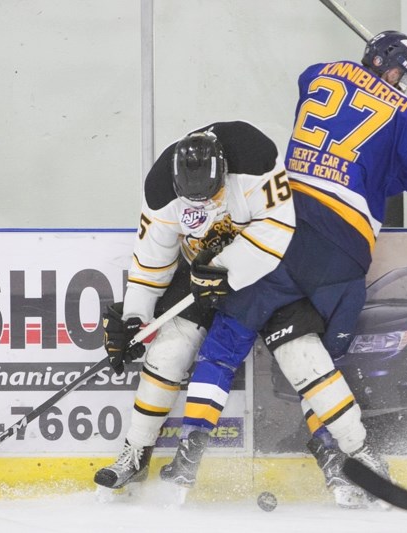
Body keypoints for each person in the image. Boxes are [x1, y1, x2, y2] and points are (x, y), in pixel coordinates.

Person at [160, 30, 407, 504]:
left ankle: (191, 450)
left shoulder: (318, 75)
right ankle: (336, 464)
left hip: (281, 228)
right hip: (339, 251)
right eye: (406, 79)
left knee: (227, 338)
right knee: (324, 367)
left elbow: (363, 154)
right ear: (395, 70)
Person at [92, 120, 296, 492]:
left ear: (225, 171)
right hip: (200, 269)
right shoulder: (160, 189)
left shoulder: (254, 155)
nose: (206, 206)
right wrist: (136, 318)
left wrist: (222, 271)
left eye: (214, 195)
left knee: (299, 347)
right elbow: (151, 264)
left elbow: (278, 230)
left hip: (262, 270)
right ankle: (135, 452)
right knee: (168, 350)